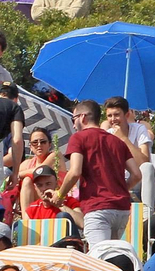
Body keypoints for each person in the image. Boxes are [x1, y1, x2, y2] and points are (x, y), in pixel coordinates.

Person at [52, 100, 139, 246]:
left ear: (83, 117)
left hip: (97, 207)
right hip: (121, 209)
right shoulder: (117, 142)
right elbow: (137, 174)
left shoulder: (78, 138)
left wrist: (60, 195)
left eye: (74, 119)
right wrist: (120, 189)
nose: (73, 125)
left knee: (98, 259)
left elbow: (74, 172)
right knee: (111, 257)